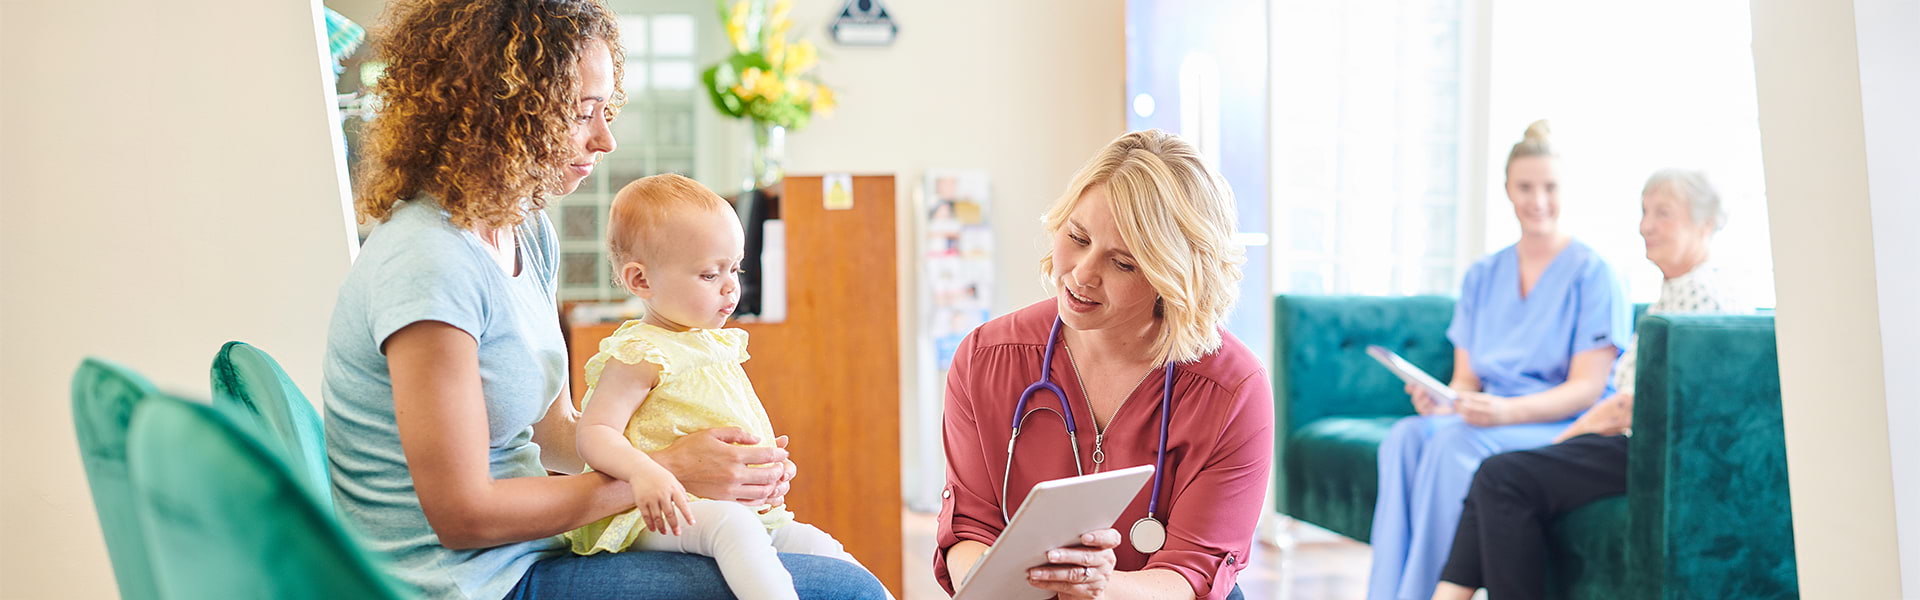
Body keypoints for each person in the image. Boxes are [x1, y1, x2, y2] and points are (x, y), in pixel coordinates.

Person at [320, 1, 886, 598]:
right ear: (499, 110)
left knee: (841, 573)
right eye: (580, 112)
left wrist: (716, 461)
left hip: (529, 551)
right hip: (467, 583)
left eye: (604, 110)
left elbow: (555, 430)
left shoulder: (525, 229)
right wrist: (671, 470)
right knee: (842, 593)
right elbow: (465, 516)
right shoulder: (429, 264)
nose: (605, 138)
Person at [936, 130, 1270, 600]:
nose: (1082, 273)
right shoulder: (987, 359)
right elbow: (970, 529)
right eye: (1077, 236)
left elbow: (1192, 573)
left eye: (1124, 264)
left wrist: (1100, 587)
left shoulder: (1231, 389)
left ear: (1172, 278)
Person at [1433, 169, 1748, 600]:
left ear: (1704, 225)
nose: (1645, 225)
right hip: (1647, 446)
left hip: (1658, 454)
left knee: (1503, 477)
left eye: (1663, 214)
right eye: (1644, 211)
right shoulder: (1679, 291)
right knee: (1496, 477)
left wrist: (1563, 440)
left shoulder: (1699, 295)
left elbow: (1631, 407)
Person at [562, 174, 871, 600]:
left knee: (821, 547)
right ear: (641, 281)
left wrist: (767, 463)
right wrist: (644, 472)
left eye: (735, 268)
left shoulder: (715, 343)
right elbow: (593, 434)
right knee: (734, 529)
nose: (731, 286)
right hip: (655, 511)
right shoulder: (642, 351)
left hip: (738, 508)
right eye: (710, 274)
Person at [1367, 120, 1632, 600]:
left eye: (1550, 187)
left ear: (1566, 190)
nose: (1538, 200)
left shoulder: (1595, 274)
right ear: (1508, 190)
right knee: (1405, 438)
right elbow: (1466, 380)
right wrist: (1444, 401)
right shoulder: (1483, 276)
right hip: (1489, 416)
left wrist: (1503, 412)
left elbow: (1589, 388)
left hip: (1558, 423)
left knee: (1453, 448)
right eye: (1525, 187)